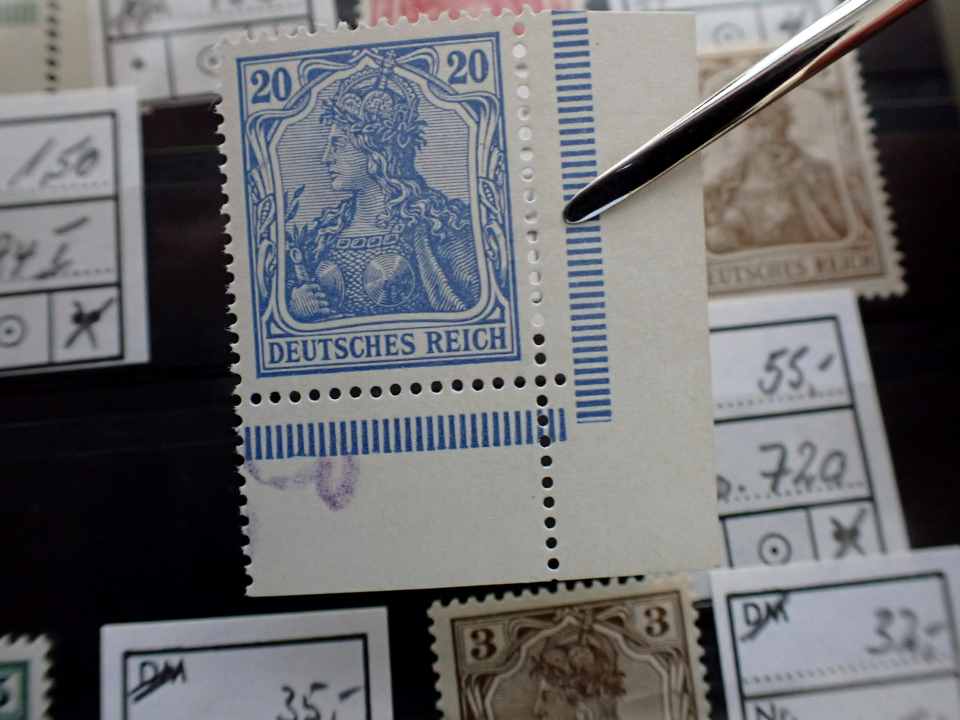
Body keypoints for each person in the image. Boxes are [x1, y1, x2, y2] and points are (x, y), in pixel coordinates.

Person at [286, 53, 481, 322]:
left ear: (375, 151)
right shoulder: (322, 235)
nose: (326, 158)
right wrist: (298, 306)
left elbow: (472, 313)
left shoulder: (443, 226)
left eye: (338, 145)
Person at [704, 99, 852, 254]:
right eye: (757, 126)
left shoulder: (816, 172)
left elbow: (838, 224)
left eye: (768, 124)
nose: (762, 134)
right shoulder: (725, 183)